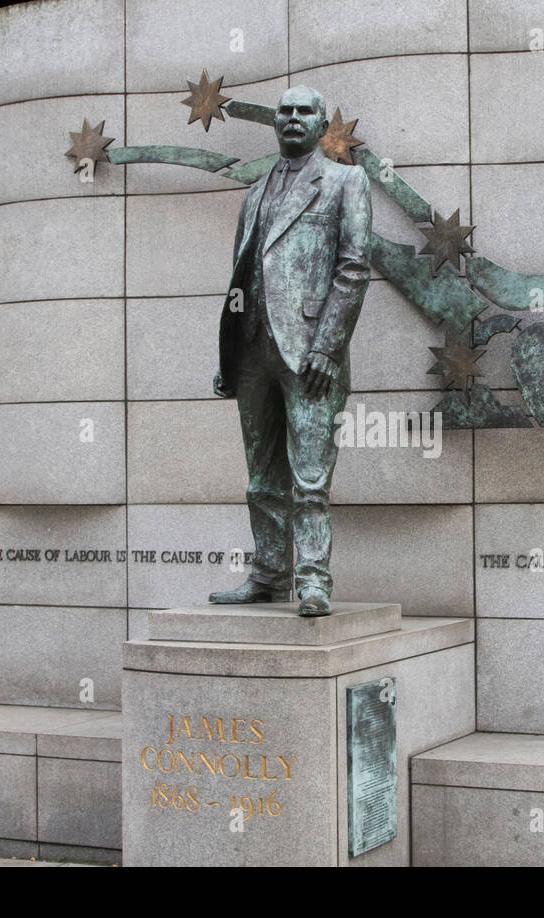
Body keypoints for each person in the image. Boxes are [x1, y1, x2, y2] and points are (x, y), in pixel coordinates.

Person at [208, 86, 372, 617]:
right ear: (275, 122)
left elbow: (353, 268)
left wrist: (328, 346)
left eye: (305, 111)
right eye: (286, 111)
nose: (294, 118)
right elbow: (241, 275)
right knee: (260, 479)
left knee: (308, 479)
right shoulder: (254, 192)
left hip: (308, 354)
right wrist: (228, 354)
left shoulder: (346, 180)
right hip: (253, 351)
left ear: (322, 123)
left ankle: (313, 581)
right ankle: (268, 574)